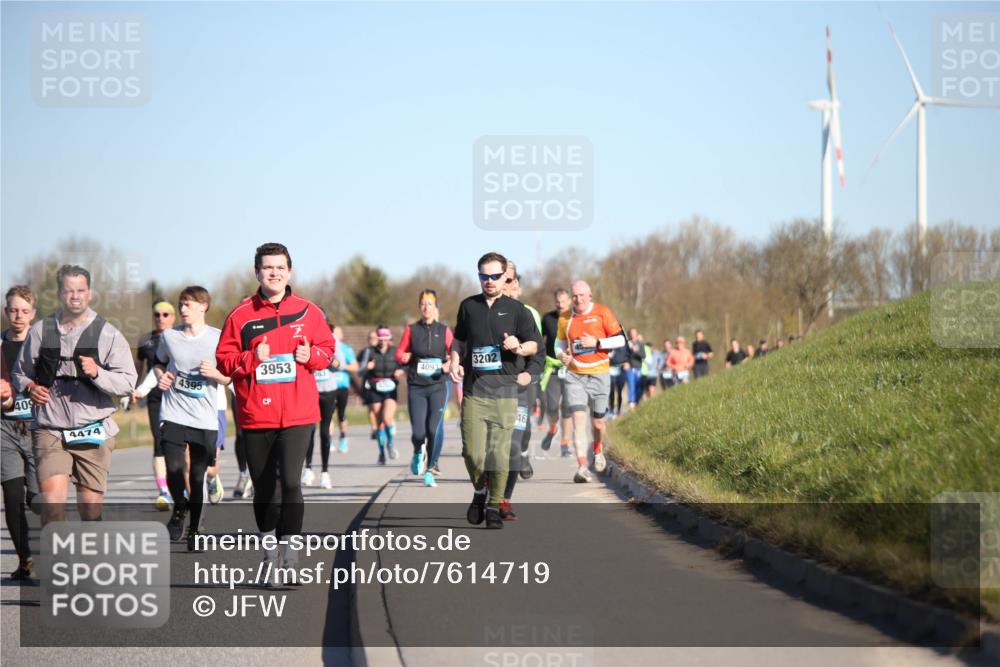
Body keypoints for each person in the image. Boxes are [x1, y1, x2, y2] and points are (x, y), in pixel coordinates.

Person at [216, 243, 335, 572]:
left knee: (292, 483)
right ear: (257, 272)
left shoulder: (309, 312)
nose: (274, 273)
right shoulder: (241, 316)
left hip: (299, 413)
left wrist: (310, 357)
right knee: (266, 488)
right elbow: (224, 363)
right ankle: (269, 551)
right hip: (256, 417)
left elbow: (327, 350)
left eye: (280, 267)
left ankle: (291, 557)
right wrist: (253, 357)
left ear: (290, 272)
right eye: (268, 268)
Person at [12, 265, 137, 524]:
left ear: (89, 293)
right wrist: (30, 388)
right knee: (52, 505)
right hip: (50, 428)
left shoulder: (108, 333)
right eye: (69, 291)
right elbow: (19, 373)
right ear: (60, 293)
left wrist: (98, 374)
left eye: (81, 290)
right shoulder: (41, 331)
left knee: (90, 510)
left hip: (92, 427)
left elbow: (128, 382)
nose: (75, 296)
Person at [450, 252, 541, 529]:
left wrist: (517, 347)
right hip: (475, 392)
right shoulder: (468, 307)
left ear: (505, 277)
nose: (488, 281)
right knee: (473, 453)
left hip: (504, 392)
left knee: (499, 455)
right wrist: (454, 360)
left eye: (494, 276)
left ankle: (493, 506)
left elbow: (535, 346)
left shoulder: (518, 311)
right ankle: (480, 491)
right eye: (483, 276)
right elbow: (459, 340)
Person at [154, 286, 230, 548]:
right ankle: (179, 509)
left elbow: (229, 377)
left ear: (203, 306)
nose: (183, 310)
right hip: (174, 413)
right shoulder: (169, 337)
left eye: (188, 305)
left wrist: (216, 375)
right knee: (174, 469)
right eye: (181, 305)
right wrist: (160, 376)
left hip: (204, 419)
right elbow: (158, 362)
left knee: (197, 477)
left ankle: (195, 531)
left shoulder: (219, 339)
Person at [556, 280, 626, 483]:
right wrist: (561, 355)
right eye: (574, 295)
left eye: (581, 295)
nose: (578, 299)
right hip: (574, 375)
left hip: (599, 373)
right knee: (579, 420)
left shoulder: (602, 312)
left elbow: (620, 340)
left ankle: (597, 449)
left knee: (597, 423)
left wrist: (597, 343)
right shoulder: (565, 318)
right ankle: (582, 467)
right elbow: (558, 344)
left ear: (589, 296)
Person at [499, 263, 545, 521]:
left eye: (511, 281)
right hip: (490, 390)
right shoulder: (480, 312)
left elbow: (538, 353)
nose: (508, 286)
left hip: (520, 387)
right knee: (488, 450)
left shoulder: (527, 314)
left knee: (514, 445)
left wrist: (530, 375)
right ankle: (485, 490)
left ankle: (505, 499)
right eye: (503, 280)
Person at [1, 286, 39, 579]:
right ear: (5, 312)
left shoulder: (42, 346)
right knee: (12, 500)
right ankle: (25, 560)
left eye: (24, 311)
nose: (18, 316)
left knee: (38, 501)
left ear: (33, 314)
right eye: (13, 310)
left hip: (39, 429)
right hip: (5, 429)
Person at [397, 290, 453, 487]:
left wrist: (449, 364)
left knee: (433, 428)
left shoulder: (444, 330)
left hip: (438, 385)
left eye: (430, 303)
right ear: (419, 307)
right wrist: (404, 357)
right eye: (423, 304)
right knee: (418, 433)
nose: (426, 307)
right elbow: (400, 352)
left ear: (435, 307)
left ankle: (430, 469)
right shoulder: (411, 329)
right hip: (417, 386)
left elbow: (454, 351)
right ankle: (417, 451)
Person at [134, 299, 176, 510]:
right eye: (157, 315)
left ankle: (184, 486)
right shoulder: (146, 340)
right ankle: (164, 492)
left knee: (179, 444)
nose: (161, 318)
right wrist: (132, 391)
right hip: (155, 398)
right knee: (159, 442)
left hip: (179, 398)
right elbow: (138, 369)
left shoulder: (180, 336)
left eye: (165, 315)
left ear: (173, 317)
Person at [304, 323, 357, 489]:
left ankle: (325, 473)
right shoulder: (304, 337)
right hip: (311, 389)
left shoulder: (332, 339)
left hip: (329, 390)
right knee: (309, 430)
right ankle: (308, 468)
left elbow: (340, 364)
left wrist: (325, 360)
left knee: (325, 431)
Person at [539, 288, 573, 454]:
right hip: (552, 367)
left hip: (571, 368)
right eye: (557, 301)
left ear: (569, 301)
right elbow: (539, 341)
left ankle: (565, 443)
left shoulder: (575, 318)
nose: (560, 304)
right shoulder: (547, 318)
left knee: (567, 408)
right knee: (552, 407)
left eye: (563, 301)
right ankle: (553, 428)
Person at [365, 326, 404, 464]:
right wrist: (367, 367)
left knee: (387, 418)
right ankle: (381, 453)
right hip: (375, 388)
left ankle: (391, 445)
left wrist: (400, 371)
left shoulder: (395, 352)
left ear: (389, 339)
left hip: (390, 387)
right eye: (380, 339)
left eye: (385, 339)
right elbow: (360, 367)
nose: (382, 342)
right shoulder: (370, 352)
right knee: (379, 423)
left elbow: (403, 364)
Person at [607, 333, 628, 419]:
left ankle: (619, 409)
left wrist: (628, 363)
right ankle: (611, 410)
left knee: (619, 391)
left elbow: (629, 355)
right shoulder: (609, 344)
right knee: (611, 391)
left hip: (621, 369)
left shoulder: (624, 344)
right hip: (611, 368)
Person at [623, 328, 645, 411]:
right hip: (629, 368)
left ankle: (636, 402)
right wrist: (625, 362)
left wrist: (636, 351)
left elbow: (643, 356)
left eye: (634, 333)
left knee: (638, 386)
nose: (633, 335)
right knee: (631, 385)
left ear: (636, 334)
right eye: (631, 333)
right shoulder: (627, 344)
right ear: (629, 334)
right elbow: (624, 355)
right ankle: (631, 403)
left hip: (638, 367)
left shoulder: (640, 344)